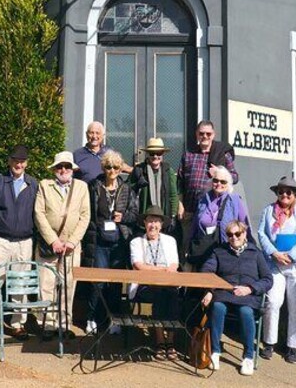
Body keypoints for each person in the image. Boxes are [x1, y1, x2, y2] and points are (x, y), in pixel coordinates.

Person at [0, 145, 38, 344]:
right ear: (9, 161)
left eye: (22, 161)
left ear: (27, 163)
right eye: (15, 161)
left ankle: (17, 324)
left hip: (24, 241)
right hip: (0, 240)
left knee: (20, 284)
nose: (18, 164)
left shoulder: (33, 185)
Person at [200, 220, 272, 376]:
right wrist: (210, 290)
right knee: (217, 307)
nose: (234, 237)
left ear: (245, 233)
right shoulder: (219, 251)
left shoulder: (256, 253)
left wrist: (250, 289)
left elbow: (267, 279)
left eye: (237, 234)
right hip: (224, 292)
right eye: (230, 235)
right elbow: (207, 271)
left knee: (246, 312)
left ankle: (247, 357)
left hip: (248, 294)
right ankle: (215, 351)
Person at [257, 176, 296, 363]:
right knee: (272, 303)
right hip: (275, 264)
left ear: (295, 194)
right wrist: (274, 253)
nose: (285, 194)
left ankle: (293, 347)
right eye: (281, 191)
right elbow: (262, 234)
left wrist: (291, 255)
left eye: (289, 191)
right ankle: (269, 343)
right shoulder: (268, 211)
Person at [34, 151, 91, 339]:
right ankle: (48, 325)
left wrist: (73, 241)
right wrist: (53, 240)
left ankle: (64, 324)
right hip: (48, 244)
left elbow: (85, 216)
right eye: (60, 166)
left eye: (67, 166)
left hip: (71, 246)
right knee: (46, 284)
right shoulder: (45, 185)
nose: (63, 169)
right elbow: (39, 214)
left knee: (68, 286)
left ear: (72, 169)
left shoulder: (82, 187)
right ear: (54, 169)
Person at [82, 150, 139, 335]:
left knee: (115, 284)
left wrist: (123, 217)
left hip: (119, 242)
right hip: (99, 242)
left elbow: (135, 215)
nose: (112, 170)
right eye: (108, 167)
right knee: (98, 283)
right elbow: (87, 213)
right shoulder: (94, 186)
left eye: (115, 167)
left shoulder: (127, 189)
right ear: (103, 168)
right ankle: (93, 318)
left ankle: (113, 319)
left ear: (120, 168)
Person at [179, 120, 238, 257]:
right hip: (190, 210)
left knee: (209, 249)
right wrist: (180, 205)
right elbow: (180, 182)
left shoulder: (223, 154)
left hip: (211, 213)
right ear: (196, 135)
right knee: (187, 248)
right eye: (201, 133)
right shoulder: (188, 155)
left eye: (208, 133)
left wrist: (219, 172)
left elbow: (234, 177)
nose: (204, 136)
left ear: (213, 135)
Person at [129, 205, 180, 360]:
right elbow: (138, 265)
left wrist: (163, 272)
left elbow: (174, 264)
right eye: (150, 221)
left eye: (156, 222)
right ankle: (159, 341)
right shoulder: (136, 242)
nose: (153, 225)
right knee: (158, 296)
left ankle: (170, 342)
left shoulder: (170, 240)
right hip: (144, 285)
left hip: (167, 283)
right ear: (144, 223)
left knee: (173, 296)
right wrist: (162, 270)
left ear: (161, 224)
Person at [189, 166, 252, 266]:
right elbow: (194, 225)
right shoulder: (203, 199)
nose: (219, 184)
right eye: (216, 180)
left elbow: (244, 225)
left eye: (223, 182)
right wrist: (189, 245)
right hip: (204, 249)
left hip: (226, 250)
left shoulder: (235, 200)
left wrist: (248, 247)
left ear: (228, 184)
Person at [127, 137, 183, 237]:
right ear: (148, 154)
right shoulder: (139, 170)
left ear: (163, 154)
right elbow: (127, 190)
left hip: (162, 218)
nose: (155, 156)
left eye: (159, 153)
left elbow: (173, 196)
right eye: (152, 153)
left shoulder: (168, 171)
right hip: (143, 218)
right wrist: (137, 185)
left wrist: (173, 216)